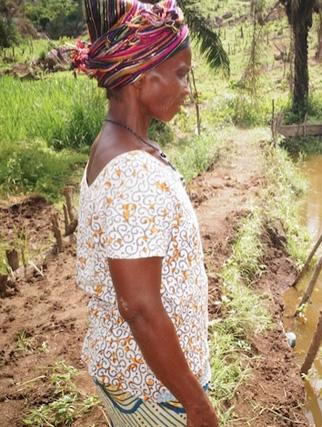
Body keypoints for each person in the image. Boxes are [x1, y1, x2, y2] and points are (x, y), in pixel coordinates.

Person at [73, 0, 218, 425]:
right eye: (181, 73)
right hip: (153, 390)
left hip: (146, 377)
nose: (187, 88)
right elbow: (138, 305)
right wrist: (195, 403)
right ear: (140, 77)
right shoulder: (132, 173)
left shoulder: (119, 144)